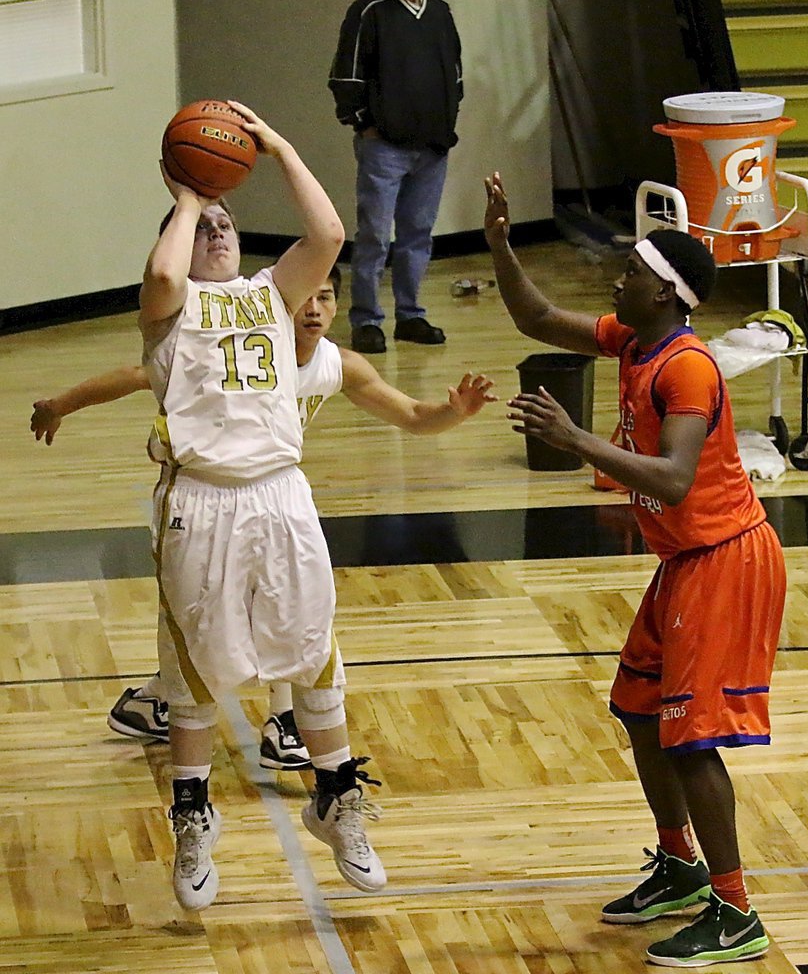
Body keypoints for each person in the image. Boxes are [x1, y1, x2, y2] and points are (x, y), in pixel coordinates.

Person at [484, 172, 786, 968]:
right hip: (684, 561)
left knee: (690, 737)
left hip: (725, 560)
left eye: (635, 273)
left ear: (670, 293)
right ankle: (680, 865)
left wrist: (576, 439)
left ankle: (736, 912)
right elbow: (538, 316)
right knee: (637, 708)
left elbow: (676, 478)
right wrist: (500, 246)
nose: (619, 279)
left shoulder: (688, 368)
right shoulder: (633, 339)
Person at [31, 268, 495, 771]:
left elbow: (412, 415)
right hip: (199, 493)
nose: (314, 309)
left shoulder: (339, 364)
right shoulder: (225, 349)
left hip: (268, 495)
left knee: (288, 604)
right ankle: (158, 698)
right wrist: (59, 405)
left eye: (326, 298)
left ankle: (280, 720)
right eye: (305, 298)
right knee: (212, 622)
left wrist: (457, 413)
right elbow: (135, 375)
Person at [133, 101, 391, 912]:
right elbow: (167, 274)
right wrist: (188, 196)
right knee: (199, 667)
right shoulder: (169, 310)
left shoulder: (274, 294)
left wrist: (275, 147)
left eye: (227, 222)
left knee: (310, 647)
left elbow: (329, 236)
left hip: (282, 496)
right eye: (204, 224)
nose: (218, 229)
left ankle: (337, 798)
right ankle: (191, 813)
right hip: (202, 503)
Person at [329, 0, 463, 355]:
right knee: (374, 235)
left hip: (432, 148)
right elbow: (345, 78)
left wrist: (446, 120)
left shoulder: (440, 10)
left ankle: (411, 315)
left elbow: (455, 74)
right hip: (383, 148)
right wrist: (363, 123)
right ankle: (366, 320)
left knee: (417, 235)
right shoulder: (369, 11)